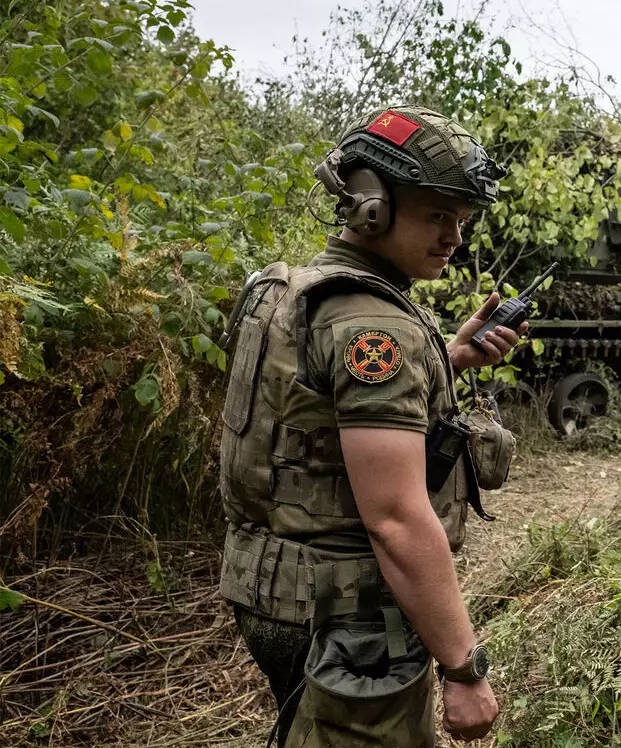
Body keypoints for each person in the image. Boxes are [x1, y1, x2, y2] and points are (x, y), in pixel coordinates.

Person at [216, 105, 524, 747]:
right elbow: (396, 518)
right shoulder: (372, 327)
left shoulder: (293, 287)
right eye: (438, 214)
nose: (454, 238)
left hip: (273, 592)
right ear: (370, 204)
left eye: (462, 220)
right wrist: (465, 668)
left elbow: (310, 419)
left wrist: (449, 355)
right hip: (346, 616)